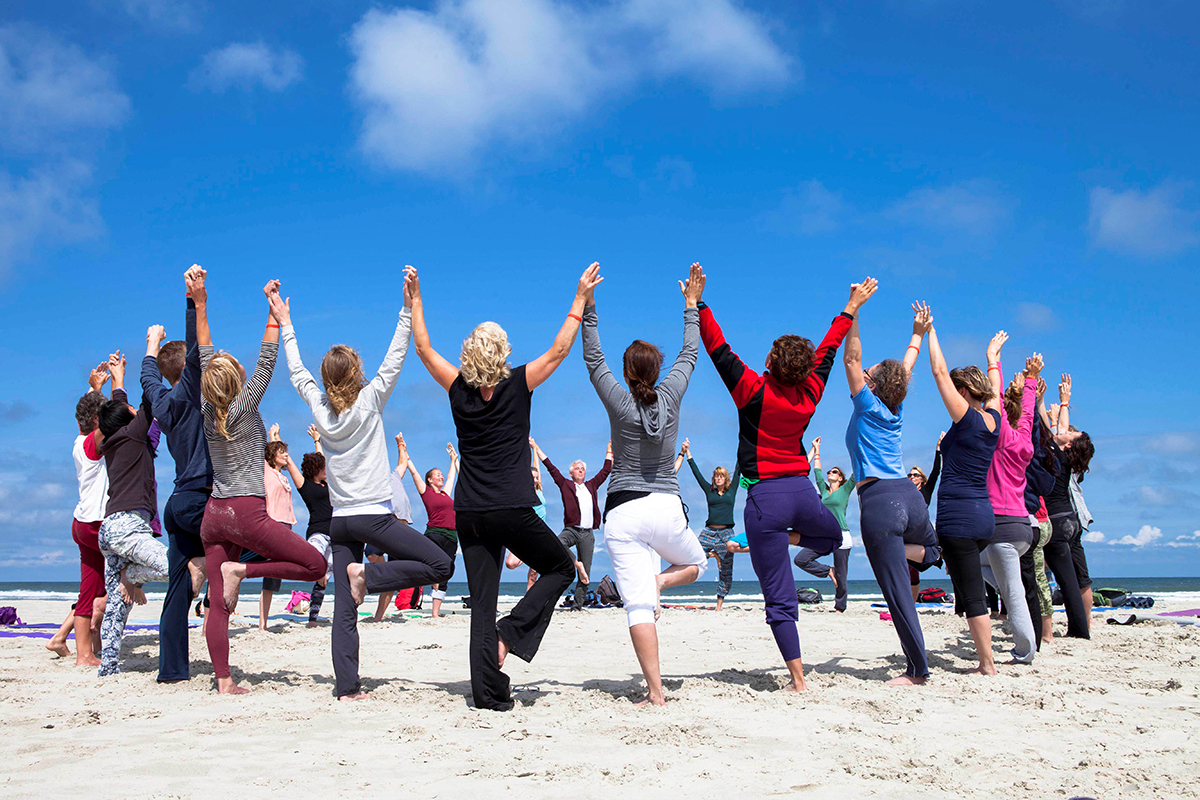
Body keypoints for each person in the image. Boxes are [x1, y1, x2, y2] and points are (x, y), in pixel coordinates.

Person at [409, 262, 597, 712]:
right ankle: (508, 635)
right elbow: (559, 351)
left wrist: (414, 301)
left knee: (481, 603)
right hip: (510, 507)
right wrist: (579, 297)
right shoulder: (518, 382)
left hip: (469, 512)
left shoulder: (456, 387)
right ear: (504, 351)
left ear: (469, 353)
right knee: (561, 569)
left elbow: (423, 349)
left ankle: (488, 695)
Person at [272, 278, 452, 701]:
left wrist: (285, 323)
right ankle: (367, 576)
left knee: (344, 608)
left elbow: (296, 373)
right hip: (373, 517)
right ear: (356, 374)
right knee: (441, 564)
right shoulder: (370, 400)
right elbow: (396, 356)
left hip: (340, 523)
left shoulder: (320, 408)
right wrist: (408, 308)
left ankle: (347, 689)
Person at [699, 273, 872, 692]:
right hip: (802, 493)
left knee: (779, 595)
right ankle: (786, 540)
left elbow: (718, 350)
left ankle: (797, 680)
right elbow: (829, 348)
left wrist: (698, 305)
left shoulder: (751, 391)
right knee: (834, 538)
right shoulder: (811, 392)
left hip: (765, 501)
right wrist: (851, 307)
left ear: (771, 363)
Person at [583, 261, 707, 705]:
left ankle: (655, 694)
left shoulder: (619, 402)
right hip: (666, 508)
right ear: (657, 372)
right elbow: (689, 354)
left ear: (627, 372)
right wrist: (691, 306)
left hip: (623, 510)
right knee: (698, 564)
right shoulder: (670, 395)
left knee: (637, 606)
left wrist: (588, 305)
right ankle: (658, 584)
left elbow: (593, 359)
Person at [198, 278, 327, 695]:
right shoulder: (246, 402)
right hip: (245, 513)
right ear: (235, 379)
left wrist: (200, 301)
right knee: (316, 567)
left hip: (214, 515)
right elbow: (267, 358)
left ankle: (223, 681)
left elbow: (204, 351)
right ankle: (244, 571)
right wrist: (273, 309)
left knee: (219, 602)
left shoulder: (205, 407)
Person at [843, 298, 939, 684]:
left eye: (869, 373)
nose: (863, 371)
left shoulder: (867, 405)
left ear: (872, 385)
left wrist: (853, 311)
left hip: (881, 501)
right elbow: (905, 368)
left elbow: (851, 359)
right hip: (910, 497)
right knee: (932, 551)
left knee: (897, 591)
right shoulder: (895, 409)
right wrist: (917, 333)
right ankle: (923, 553)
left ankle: (917, 670)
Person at [141, 268, 213, 682]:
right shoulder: (189, 390)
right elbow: (197, 353)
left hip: (177, 504)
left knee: (176, 590)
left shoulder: (163, 403)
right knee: (255, 544)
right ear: (186, 370)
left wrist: (150, 348)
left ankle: (171, 671)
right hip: (202, 498)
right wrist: (192, 301)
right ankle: (205, 567)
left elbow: (149, 378)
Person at [928, 324, 1004, 676]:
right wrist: (993, 358)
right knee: (969, 583)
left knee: (973, 596)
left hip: (958, 516)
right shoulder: (994, 420)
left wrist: (930, 331)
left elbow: (939, 372)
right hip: (983, 516)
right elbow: (996, 393)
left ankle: (987, 664)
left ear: (962, 392)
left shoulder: (968, 418)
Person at [96, 349, 170, 676]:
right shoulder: (134, 433)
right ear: (130, 420)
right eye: (131, 412)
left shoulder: (112, 440)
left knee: (117, 604)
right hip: (129, 527)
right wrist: (152, 350)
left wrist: (118, 379)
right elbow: (149, 399)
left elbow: (119, 407)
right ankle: (134, 576)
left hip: (109, 528)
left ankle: (108, 666)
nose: (134, 411)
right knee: (174, 564)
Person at [982, 357, 1043, 665]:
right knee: (974, 564)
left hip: (1003, 526)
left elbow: (996, 399)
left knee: (1014, 593)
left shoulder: (1003, 437)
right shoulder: (1025, 440)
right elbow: (1028, 412)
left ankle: (1025, 651)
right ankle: (1006, 589)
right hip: (1023, 527)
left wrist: (994, 361)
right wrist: (1030, 380)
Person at [1039, 375, 1095, 639]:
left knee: (1067, 581)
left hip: (1058, 523)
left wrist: (1040, 399)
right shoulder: (1066, 458)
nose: (1068, 430)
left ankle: (1079, 631)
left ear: (1070, 443)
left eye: (1073, 433)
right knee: (1074, 579)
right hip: (1071, 521)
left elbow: (1048, 428)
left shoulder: (1057, 454)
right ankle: (1082, 628)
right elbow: (1058, 430)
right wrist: (1063, 401)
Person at [65, 366, 113, 666]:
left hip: (82, 522)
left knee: (91, 587)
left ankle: (85, 652)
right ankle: (91, 642)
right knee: (127, 576)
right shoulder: (91, 443)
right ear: (97, 421)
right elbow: (110, 422)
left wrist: (94, 389)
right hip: (96, 523)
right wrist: (117, 383)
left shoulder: (78, 442)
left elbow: (88, 416)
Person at [537, 440, 612, 609]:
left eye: (583, 468)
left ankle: (577, 606)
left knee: (586, 572)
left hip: (587, 534)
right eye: (577, 468)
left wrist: (609, 450)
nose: (581, 470)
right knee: (557, 543)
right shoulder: (566, 485)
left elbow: (606, 470)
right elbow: (551, 468)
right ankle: (576, 564)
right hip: (571, 530)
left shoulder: (591, 486)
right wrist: (536, 448)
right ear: (571, 473)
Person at [674, 438, 740, 611]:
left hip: (727, 533)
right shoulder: (709, 490)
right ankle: (714, 554)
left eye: (721, 476)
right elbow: (696, 473)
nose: (718, 478)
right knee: (694, 555)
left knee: (726, 571)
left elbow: (739, 467)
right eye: (716, 476)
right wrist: (687, 452)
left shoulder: (732, 490)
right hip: (709, 532)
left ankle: (719, 606)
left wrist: (743, 445)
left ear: (725, 478)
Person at [278, 425, 332, 629]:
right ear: (315, 469)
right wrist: (278, 441)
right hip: (318, 533)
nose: (326, 470)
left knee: (324, 580)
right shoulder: (305, 486)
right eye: (323, 468)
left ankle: (312, 620)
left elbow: (321, 458)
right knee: (316, 566)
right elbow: (290, 464)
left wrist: (317, 439)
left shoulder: (328, 484)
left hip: (335, 534)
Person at [794, 436, 853, 613]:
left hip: (842, 535)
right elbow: (817, 472)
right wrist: (816, 449)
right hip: (824, 535)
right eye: (830, 472)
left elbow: (856, 474)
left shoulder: (845, 490)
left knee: (842, 574)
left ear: (840, 478)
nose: (830, 473)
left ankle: (840, 607)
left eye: (834, 472)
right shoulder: (824, 491)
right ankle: (828, 571)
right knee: (801, 559)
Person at [1020, 378, 1056, 646]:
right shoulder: (1041, 451)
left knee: (1034, 580)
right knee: (1032, 579)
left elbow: (1034, 430)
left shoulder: (1031, 453)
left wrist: (1032, 399)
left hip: (1035, 519)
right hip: (1037, 520)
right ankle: (1040, 631)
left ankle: (1045, 633)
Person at [407, 442, 460, 619]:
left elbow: (451, 478)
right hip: (434, 534)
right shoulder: (426, 492)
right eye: (437, 474)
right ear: (429, 480)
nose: (441, 476)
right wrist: (405, 454)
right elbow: (414, 473)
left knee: (446, 572)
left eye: (441, 474)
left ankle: (435, 614)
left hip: (451, 537)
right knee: (432, 568)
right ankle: (411, 581)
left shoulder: (445, 494)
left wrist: (453, 460)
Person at [257, 424, 299, 631]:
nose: (286, 455)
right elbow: (267, 453)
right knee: (268, 574)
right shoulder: (267, 472)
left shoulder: (283, 475)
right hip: (272, 525)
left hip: (286, 526)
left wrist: (278, 439)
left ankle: (264, 622)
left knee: (274, 577)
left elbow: (283, 458)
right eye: (281, 453)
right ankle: (262, 623)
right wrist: (272, 436)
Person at [507, 439, 557, 593]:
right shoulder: (523, 493)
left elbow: (537, 468)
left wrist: (534, 448)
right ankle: (526, 556)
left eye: (536, 478)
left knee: (533, 575)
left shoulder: (539, 490)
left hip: (541, 533)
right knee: (510, 563)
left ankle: (529, 600)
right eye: (532, 478)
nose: (535, 480)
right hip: (525, 533)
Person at [906, 436, 943, 600]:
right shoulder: (904, 494)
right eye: (910, 475)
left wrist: (938, 450)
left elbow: (935, 471)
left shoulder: (925, 491)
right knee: (909, 569)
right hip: (907, 533)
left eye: (915, 475)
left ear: (921, 478)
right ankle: (910, 604)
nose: (912, 477)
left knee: (916, 567)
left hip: (923, 533)